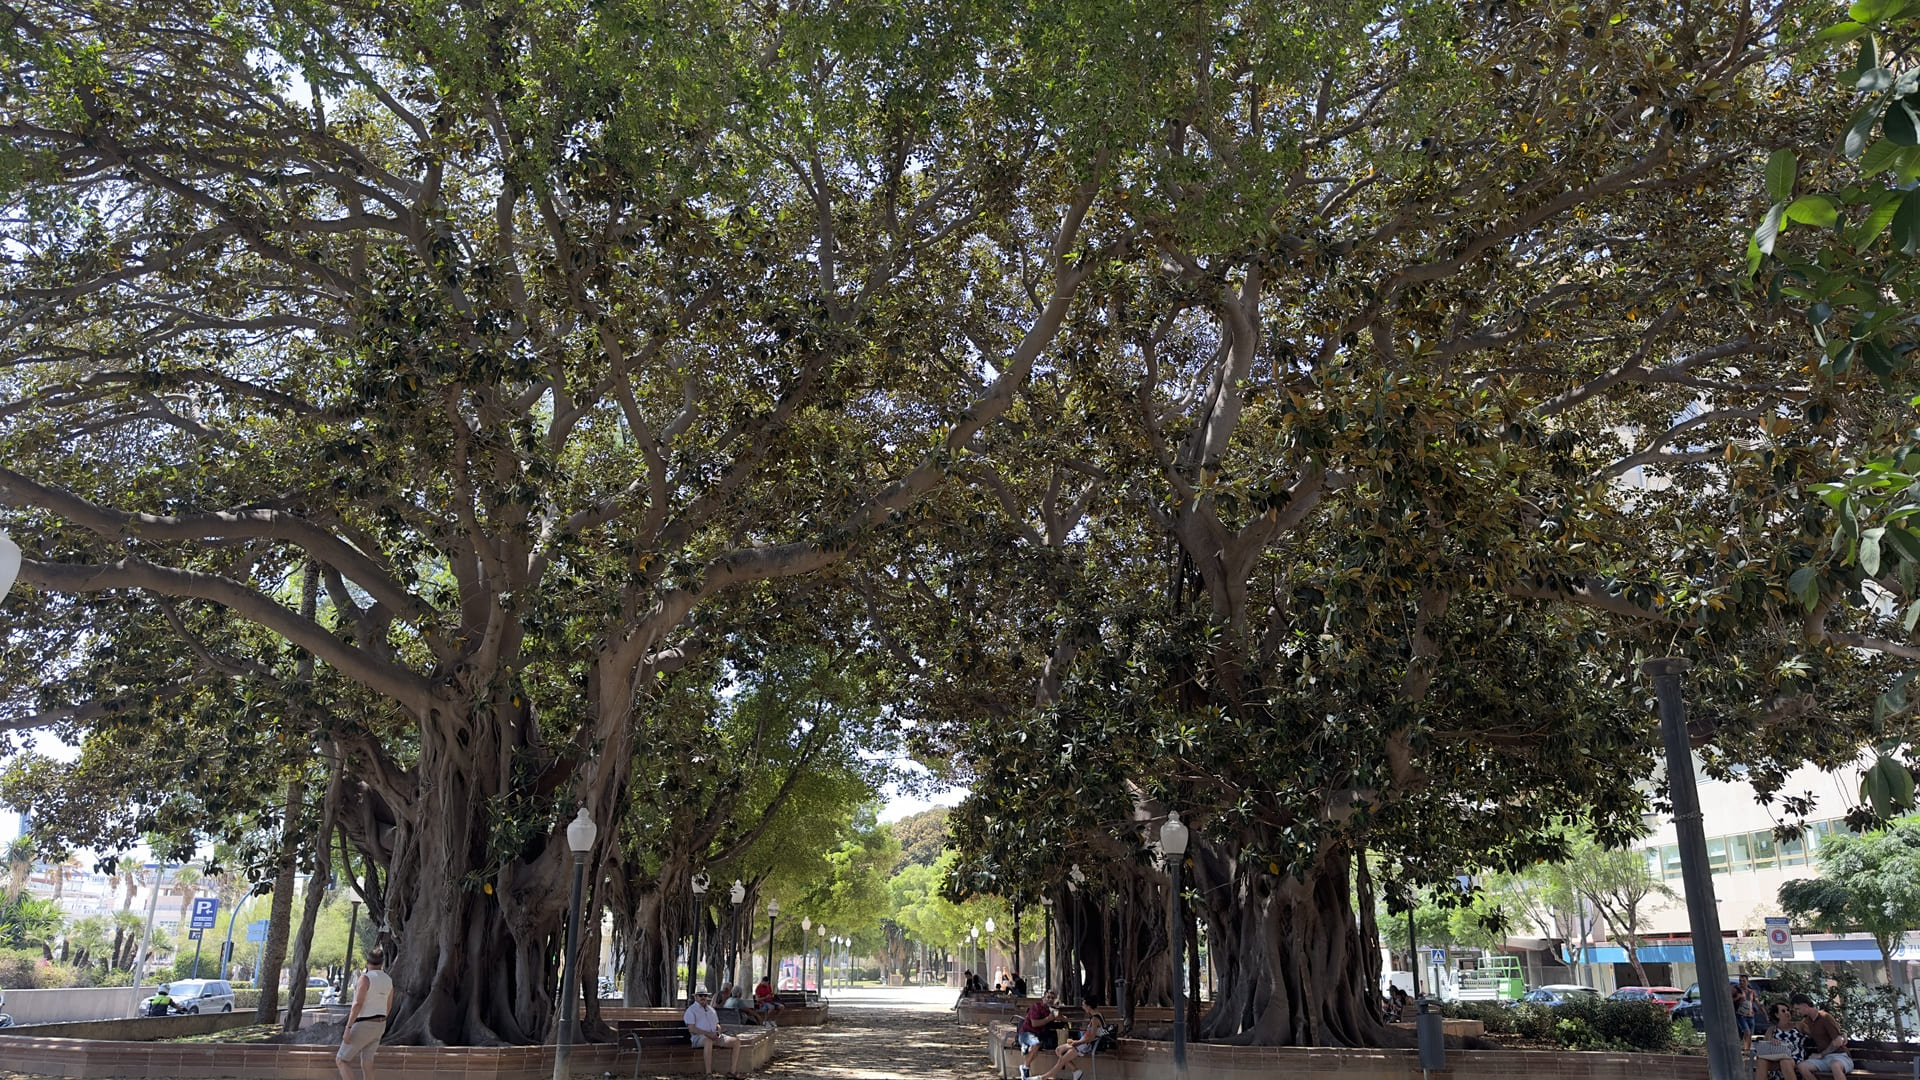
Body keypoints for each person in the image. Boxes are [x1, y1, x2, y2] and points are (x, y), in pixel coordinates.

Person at [337, 947, 394, 1080]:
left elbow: (357, 1004)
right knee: (367, 1063)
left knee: (341, 1060)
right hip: (380, 1025)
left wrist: (348, 1028)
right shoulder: (388, 980)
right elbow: (389, 1006)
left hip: (364, 1024)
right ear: (382, 962)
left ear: (367, 961)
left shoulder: (365, 978)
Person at [1791, 991, 1854, 1080]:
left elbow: (1838, 1041)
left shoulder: (1825, 1017)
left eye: (1798, 1009)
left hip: (1840, 1056)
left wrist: (1821, 1054)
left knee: (1835, 1065)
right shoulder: (1806, 1022)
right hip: (1824, 1059)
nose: (1797, 1012)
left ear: (1805, 1005)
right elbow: (1793, 1031)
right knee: (1802, 1066)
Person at [683, 987, 744, 1079]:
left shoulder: (711, 1010)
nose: (703, 997)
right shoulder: (691, 1010)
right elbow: (692, 1029)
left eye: (705, 995)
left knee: (736, 1041)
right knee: (708, 1041)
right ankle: (708, 1073)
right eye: (700, 995)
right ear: (695, 997)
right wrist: (707, 1034)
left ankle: (732, 1071)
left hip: (714, 1036)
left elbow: (717, 1024)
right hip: (699, 1038)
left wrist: (718, 1031)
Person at [1036, 1010, 1105, 1080]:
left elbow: (1091, 1037)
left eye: (1084, 1004)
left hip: (1085, 1045)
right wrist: (1077, 1041)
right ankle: (1075, 1070)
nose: (1083, 1007)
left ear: (1088, 1006)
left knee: (1062, 1060)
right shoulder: (1093, 1017)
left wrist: (1077, 1043)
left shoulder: (1095, 1019)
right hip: (1081, 1042)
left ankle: (1042, 1077)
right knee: (1058, 1050)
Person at [1016, 989, 1064, 1080]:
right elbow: (1035, 1024)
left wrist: (1060, 1015)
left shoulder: (1050, 1010)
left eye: (1052, 998)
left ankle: (1025, 1055)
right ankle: (1025, 1067)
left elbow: (1063, 1019)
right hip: (1026, 1033)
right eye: (1048, 997)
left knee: (1038, 1046)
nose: (1050, 999)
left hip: (1039, 1036)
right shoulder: (1036, 1007)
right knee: (1036, 1044)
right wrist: (1049, 1019)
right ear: (1043, 998)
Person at [1754, 1001, 1807, 1080]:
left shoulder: (1799, 1025)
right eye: (1783, 1011)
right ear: (1777, 1015)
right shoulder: (1772, 1029)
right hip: (1777, 1056)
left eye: (1788, 1010)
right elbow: (1764, 1047)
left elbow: (1815, 1033)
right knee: (1761, 1061)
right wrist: (1771, 1040)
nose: (1787, 1012)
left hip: (1795, 1056)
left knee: (1784, 1061)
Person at [1734, 975, 1760, 1053]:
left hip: (1750, 1016)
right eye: (1740, 981)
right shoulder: (1737, 991)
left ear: (1747, 982)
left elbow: (1758, 1003)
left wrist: (1765, 1014)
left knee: (1750, 1035)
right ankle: (1746, 1049)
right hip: (1741, 1015)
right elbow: (1730, 1001)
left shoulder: (1751, 992)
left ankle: (1747, 1050)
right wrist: (1737, 998)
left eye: (1743, 981)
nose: (1741, 982)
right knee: (1747, 1032)